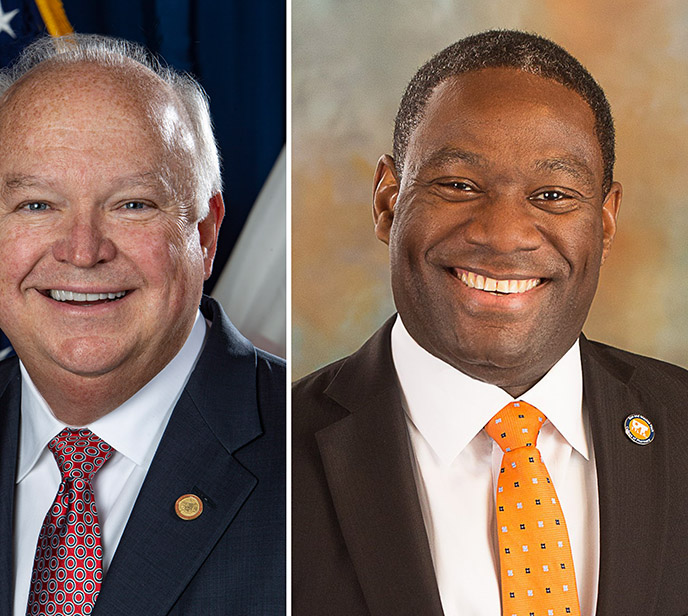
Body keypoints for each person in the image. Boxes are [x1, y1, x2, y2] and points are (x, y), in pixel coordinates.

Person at [293, 30, 688, 615]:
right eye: (458, 185)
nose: (503, 236)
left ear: (605, 223)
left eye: (553, 194)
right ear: (387, 202)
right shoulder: (276, 451)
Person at [0, 34, 285, 615]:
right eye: (37, 205)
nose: (82, 251)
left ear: (203, 234)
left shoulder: (310, 456)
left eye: (133, 204)